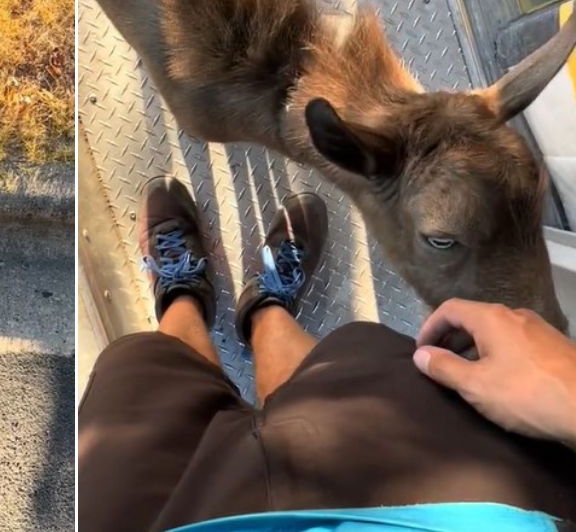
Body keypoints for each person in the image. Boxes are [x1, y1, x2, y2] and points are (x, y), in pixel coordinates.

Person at [78, 177, 576, 532]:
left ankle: (181, 294)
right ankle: (265, 306)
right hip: (464, 507)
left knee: (143, 376)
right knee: (336, 371)